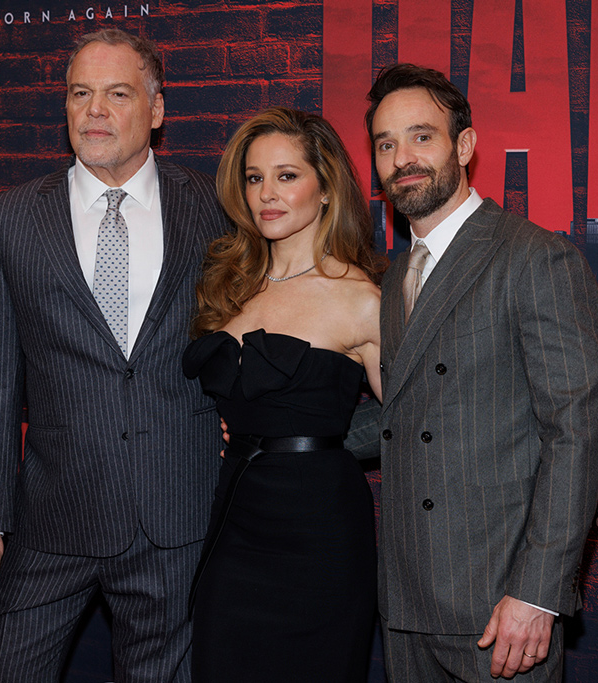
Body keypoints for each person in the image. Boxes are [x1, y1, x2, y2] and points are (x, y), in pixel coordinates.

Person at [0, 30, 226, 682]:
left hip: (176, 515)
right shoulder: (11, 219)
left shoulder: (216, 208)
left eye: (117, 94)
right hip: (53, 516)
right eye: (80, 93)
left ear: (156, 109)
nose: (94, 110)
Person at [345, 63, 598, 681]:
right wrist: (280, 433)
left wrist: (538, 594)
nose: (402, 159)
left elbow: (576, 434)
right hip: (406, 598)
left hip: (498, 603)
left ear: (464, 146)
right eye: (385, 144)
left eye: (421, 137)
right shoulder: (396, 274)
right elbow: (407, 412)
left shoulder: (536, 258)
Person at [182, 107, 383, 683]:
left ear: (326, 188)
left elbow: (415, 420)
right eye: (254, 178)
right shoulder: (229, 282)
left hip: (318, 533)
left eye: (286, 175)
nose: (266, 194)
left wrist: (319, 439)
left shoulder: (361, 298)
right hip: (233, 525)